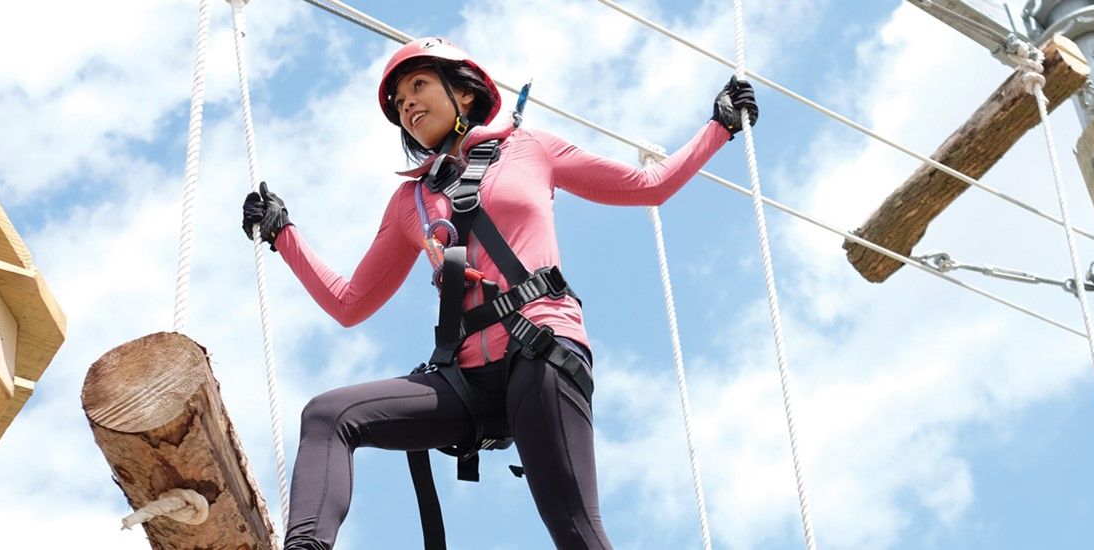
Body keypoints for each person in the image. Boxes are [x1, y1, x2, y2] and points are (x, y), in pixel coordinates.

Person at [240, 37, 758, 550]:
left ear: (464, 93)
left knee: (576, 531)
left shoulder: (529, 149)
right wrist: (283, 234)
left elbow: (648, 186)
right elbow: (351, 303)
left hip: (540, 348)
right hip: (466, 379)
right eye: (399, 102)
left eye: (418, 85)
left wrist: (720, 127)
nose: (408, 105)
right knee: (329, 416)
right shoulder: (409, 201)